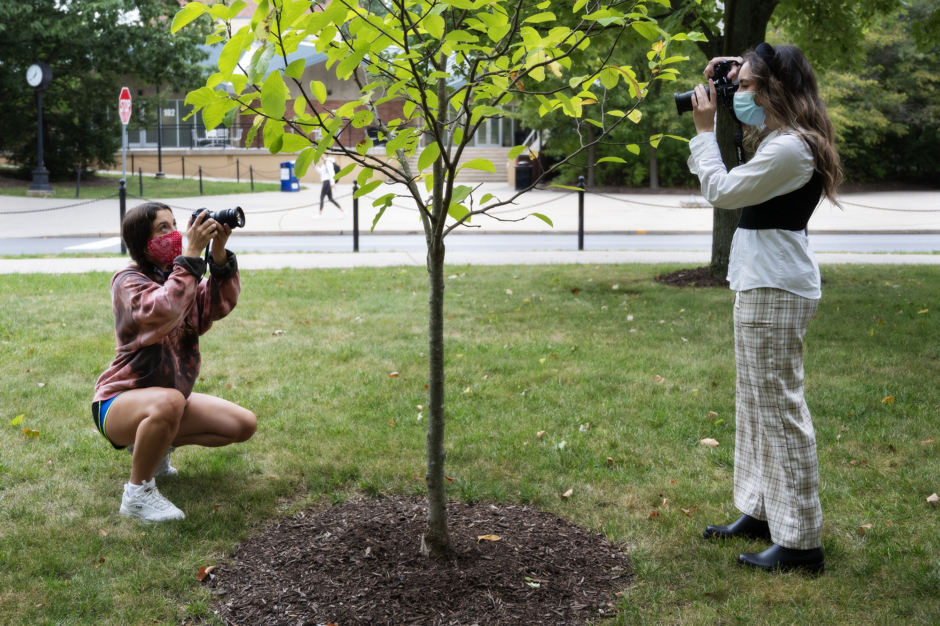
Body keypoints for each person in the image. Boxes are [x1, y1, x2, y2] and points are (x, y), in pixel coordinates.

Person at [688, 43, 842, 574]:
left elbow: (722, 191)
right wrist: (738, 66)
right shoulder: (783, 139)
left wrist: (705, 132)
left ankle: (800, 541)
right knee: (755, 406)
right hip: (762, 282)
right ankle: (760, 511)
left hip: (776, 287)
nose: (738, 94)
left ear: (775, 89)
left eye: (747, 85)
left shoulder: (792, 148)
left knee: (779, 410)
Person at [92, 203, 257, 522]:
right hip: (117, 402)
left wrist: (218, 256)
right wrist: (191, 257)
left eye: (175, 224)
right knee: (170, 401)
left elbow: (216, 307)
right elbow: (165, 308)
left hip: (169, 400)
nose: (176, 233)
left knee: (242, 425)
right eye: (163, 228)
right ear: (143, 242)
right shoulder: (127, 281)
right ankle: (137, 494)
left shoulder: (179, 276)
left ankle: (155, 448)